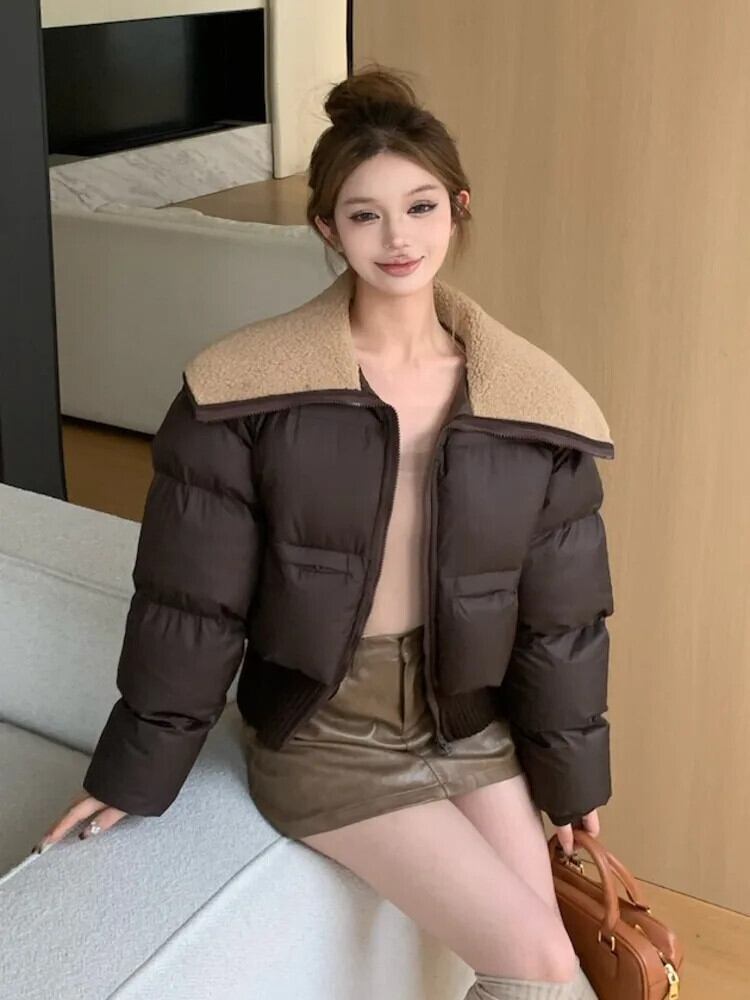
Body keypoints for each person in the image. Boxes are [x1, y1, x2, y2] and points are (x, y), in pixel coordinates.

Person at [35, 65, 614, 999]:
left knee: (561, 964)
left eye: (420, 207)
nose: (398, 238)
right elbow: (193, 603)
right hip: (325, 735)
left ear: (458, 209)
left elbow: (562, 618)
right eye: (365, 215)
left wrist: (573, 777)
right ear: (326, 229)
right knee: (538, 965)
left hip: (465, 721)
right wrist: (132, 772)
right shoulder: (244, 392)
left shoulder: (531, 404)